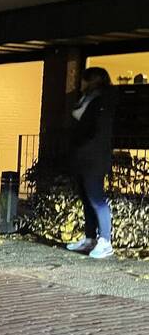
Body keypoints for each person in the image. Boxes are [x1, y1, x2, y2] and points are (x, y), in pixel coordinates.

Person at [66, 67, 117, 259]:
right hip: (82, 157)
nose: (80, 84)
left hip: (93, 158)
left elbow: (99, 132)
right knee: (87, 199)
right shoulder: (86, 101)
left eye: (83, 80)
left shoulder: (102, 102)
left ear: (91, 81)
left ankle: (105, 241)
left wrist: (84, 148)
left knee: (96, 198)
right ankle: (90, 238)